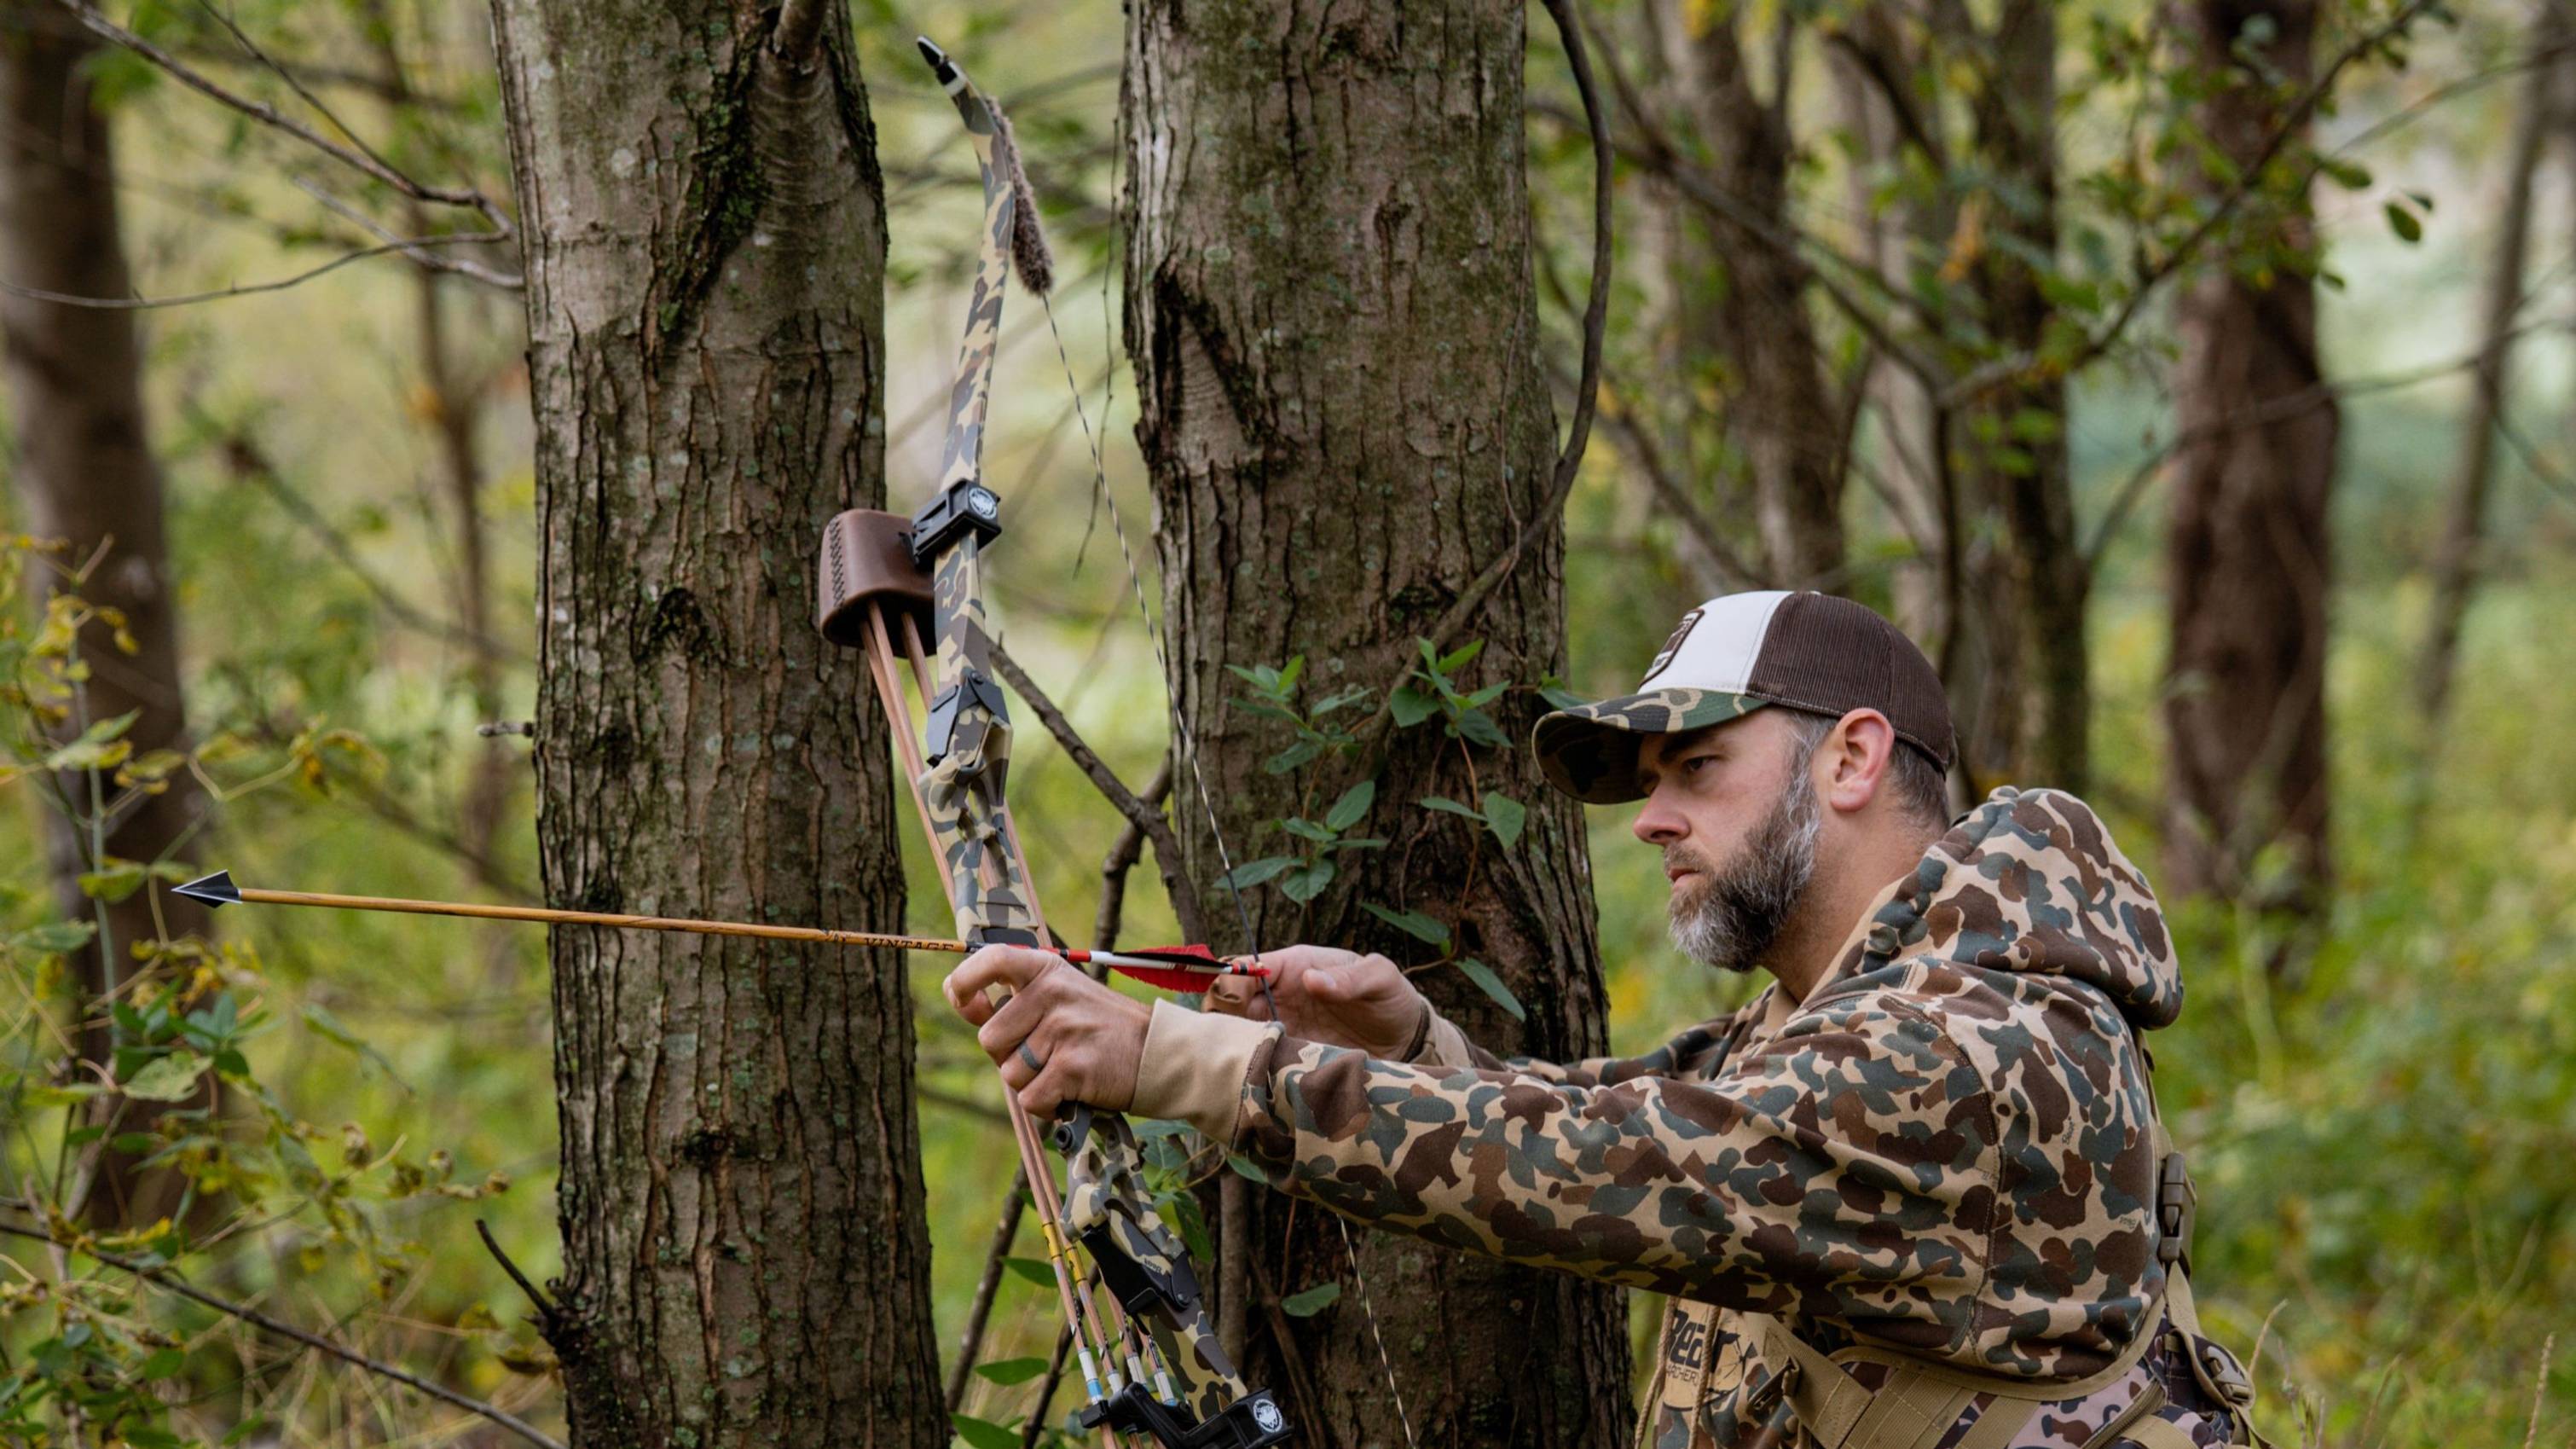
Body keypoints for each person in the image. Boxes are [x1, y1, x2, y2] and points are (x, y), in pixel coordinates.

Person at [946, 590, 2259, 1449]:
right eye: (1650, 782)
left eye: (1697, 768)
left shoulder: (1983, 1045)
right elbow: (1615, 1118)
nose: (1652, 820)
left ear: (1850, 761)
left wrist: (1182, 1059)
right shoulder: (1832, 1021)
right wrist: (1412, 1050)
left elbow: (1630, 1171)